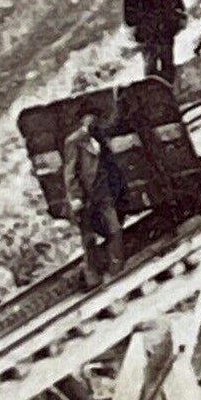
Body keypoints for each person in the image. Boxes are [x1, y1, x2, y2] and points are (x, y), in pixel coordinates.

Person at [63, 103, 126, 288]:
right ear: (82, 120)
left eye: (94, 117)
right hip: (86, 196)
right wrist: (75, 198)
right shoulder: (74, 141)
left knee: (114, 229)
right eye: (88, 117)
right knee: (89, 238)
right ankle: (93, 277)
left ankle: (117, 270)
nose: (92, 120)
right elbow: (70, 172)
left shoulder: (100, 137)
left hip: (104, 193)